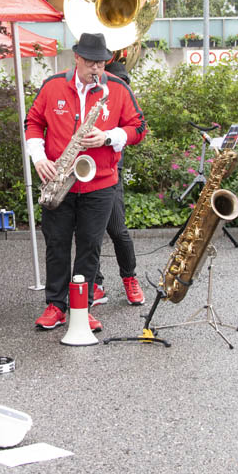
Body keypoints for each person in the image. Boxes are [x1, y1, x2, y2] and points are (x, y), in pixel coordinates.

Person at [26, 32, 146, 333]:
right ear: (77, 58)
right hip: (59, 178)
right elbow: (33, 122)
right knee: (56, 244)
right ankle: (55, 305)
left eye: (101, 63)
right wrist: (39, 158)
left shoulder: (116, 87)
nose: (96, 69)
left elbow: (139, 128)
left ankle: (82, 308)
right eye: (91, 62)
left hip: (100, 182)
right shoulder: (53, 86)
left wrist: (108, 137)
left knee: (90, 246)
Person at [92, 60, 144, 307]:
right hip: (84, 169)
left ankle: (129, 277)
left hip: (111, 169)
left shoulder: (121, 94)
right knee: (88, 233)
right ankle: (95, 283)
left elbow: (135, 130)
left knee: (117, 229)